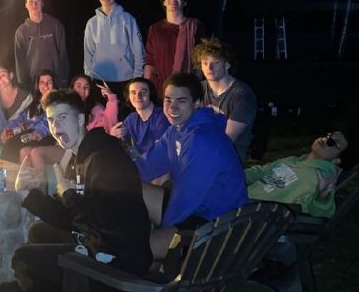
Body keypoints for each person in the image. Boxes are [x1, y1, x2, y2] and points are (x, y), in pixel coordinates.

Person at [12, 88, 152, 292]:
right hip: (102, 243)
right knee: (38, 232)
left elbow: (107, 221)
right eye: (52, 120)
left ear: (81, 120)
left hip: (117, 261)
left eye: (63, 118)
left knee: (24, 259)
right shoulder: (81, 156)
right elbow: (71, 218)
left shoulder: (104, 159)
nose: (56, 126)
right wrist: (27, 195)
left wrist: (68, 197)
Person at [137, 73, 249, 259]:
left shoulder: (202, 139)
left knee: (137, 252)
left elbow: (186, 197)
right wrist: (109, 178)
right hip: (195, 209)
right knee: (132, 187)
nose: (172, 107)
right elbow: (145, 166)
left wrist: (163, 232)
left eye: (181, 101)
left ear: (197, 103)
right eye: (168, 100)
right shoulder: (176, 131)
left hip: (217, 223)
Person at [246, 130, 359, 217]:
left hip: (249, 214)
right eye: (328, 135)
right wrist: (231, 176)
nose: (325, 139)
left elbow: (323, 210)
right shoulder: (292, 160)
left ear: (337, 160)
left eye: (332, 142)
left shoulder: (320, 177)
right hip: (238, 199)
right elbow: (259, 172)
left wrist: (322, 197)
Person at [193, 38, 258, 164]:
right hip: (200, 152)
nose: (209, 68)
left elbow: (227, 139)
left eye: (215, 62)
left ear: (227, 64)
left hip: (228, 160)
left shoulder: (242, 95)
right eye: (204, 63)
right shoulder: (197, 89)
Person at [82, 0, 144, 100]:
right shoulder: (92, 23)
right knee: (101, 116)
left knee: (123, 117)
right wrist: (88, 77)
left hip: (125, 79)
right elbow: (88, 53)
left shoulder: (128, 19)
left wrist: (137, 77)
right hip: (99, 79)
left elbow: (138, 50)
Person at [144, 0, 207, 100]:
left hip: (186, 85)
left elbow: (202, 58)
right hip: (160, 87)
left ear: (184, 3)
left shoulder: (195, 26)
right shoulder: (155, 28)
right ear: (164, 2)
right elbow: (150, 60)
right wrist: (146, 87)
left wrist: (196, 82)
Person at [14, 0, 69, 87]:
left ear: (42, 4)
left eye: (37, 1)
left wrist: (63, 81)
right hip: (34, 84)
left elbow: (63, 55)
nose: (34, 5)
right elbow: (20, 62)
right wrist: (24, 86)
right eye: (31, 2)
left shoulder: (55, 25)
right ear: (26, 5)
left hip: (55, 82)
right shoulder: (21, 31)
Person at [109, 77, 170, 165]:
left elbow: (160, 153)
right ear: (128, 97)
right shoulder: (132, 119)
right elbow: (122, 143)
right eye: (133, 93)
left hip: (160, 167)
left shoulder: (161, 118)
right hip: (142, 164)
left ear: (151, 94)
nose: (138, 96)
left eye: (143, 91)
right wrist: (113, 136)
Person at [0, 69, 56, 163]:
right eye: (42, 82)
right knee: (8, 139)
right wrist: (9, 129)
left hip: (44, 135)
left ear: (54, 85)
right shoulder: (36, 103)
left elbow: (48, 123)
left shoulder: (56, 103)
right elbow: (21, 118)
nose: (45, 86)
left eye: (49, 82)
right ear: (38, 86)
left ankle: (7, 171)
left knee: (12, 143)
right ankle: (5, 170)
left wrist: (34, 133)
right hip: (28, 134)